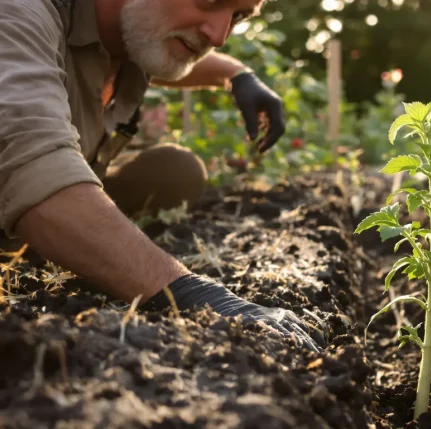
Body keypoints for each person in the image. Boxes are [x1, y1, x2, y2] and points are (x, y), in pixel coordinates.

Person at [0, 0, 322, 352]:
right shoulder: (18, 14)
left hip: (29, 228)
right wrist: (187, 291)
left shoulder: (131, 38)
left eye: (238, 16)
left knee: (175, 172)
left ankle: (74, 236)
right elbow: (30, 165)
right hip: (25, 205)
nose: (219, 36)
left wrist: (237, 75)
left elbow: (182, 57)